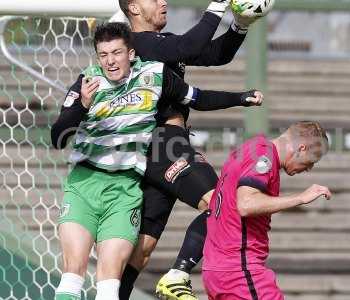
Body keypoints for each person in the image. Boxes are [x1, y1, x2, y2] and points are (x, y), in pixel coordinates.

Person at [50, 22, 262, 300]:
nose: (110, 61)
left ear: (132, 53)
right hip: (84, 184)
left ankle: (176, 276)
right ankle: (178, 274)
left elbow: (196, 97)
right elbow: (57, 137)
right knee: (72, 274)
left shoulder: (156, 76)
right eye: (103, 55)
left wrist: (241, 98)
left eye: (116, 53)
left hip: (124, 190)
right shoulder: (87, 82)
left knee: (110, 280)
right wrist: (82, 107)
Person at [113, 1, 261, 299]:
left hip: (159, 147)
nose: (163, 2)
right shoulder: (138, 44)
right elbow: (191, 44)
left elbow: (214, 54)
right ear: (134, 8)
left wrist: (240, 25)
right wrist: (218, 6)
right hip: (162, 143)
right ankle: (178, 274)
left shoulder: (162, 45)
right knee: (223, 202)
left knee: (140, 251)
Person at [202, 121, 332, 300]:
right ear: (301, 148)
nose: (309, 168)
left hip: (218, 269)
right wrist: (301, 198)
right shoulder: (264, 155)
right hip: (239, 271)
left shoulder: (251, 147)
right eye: (311, 161)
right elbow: (246, 204)